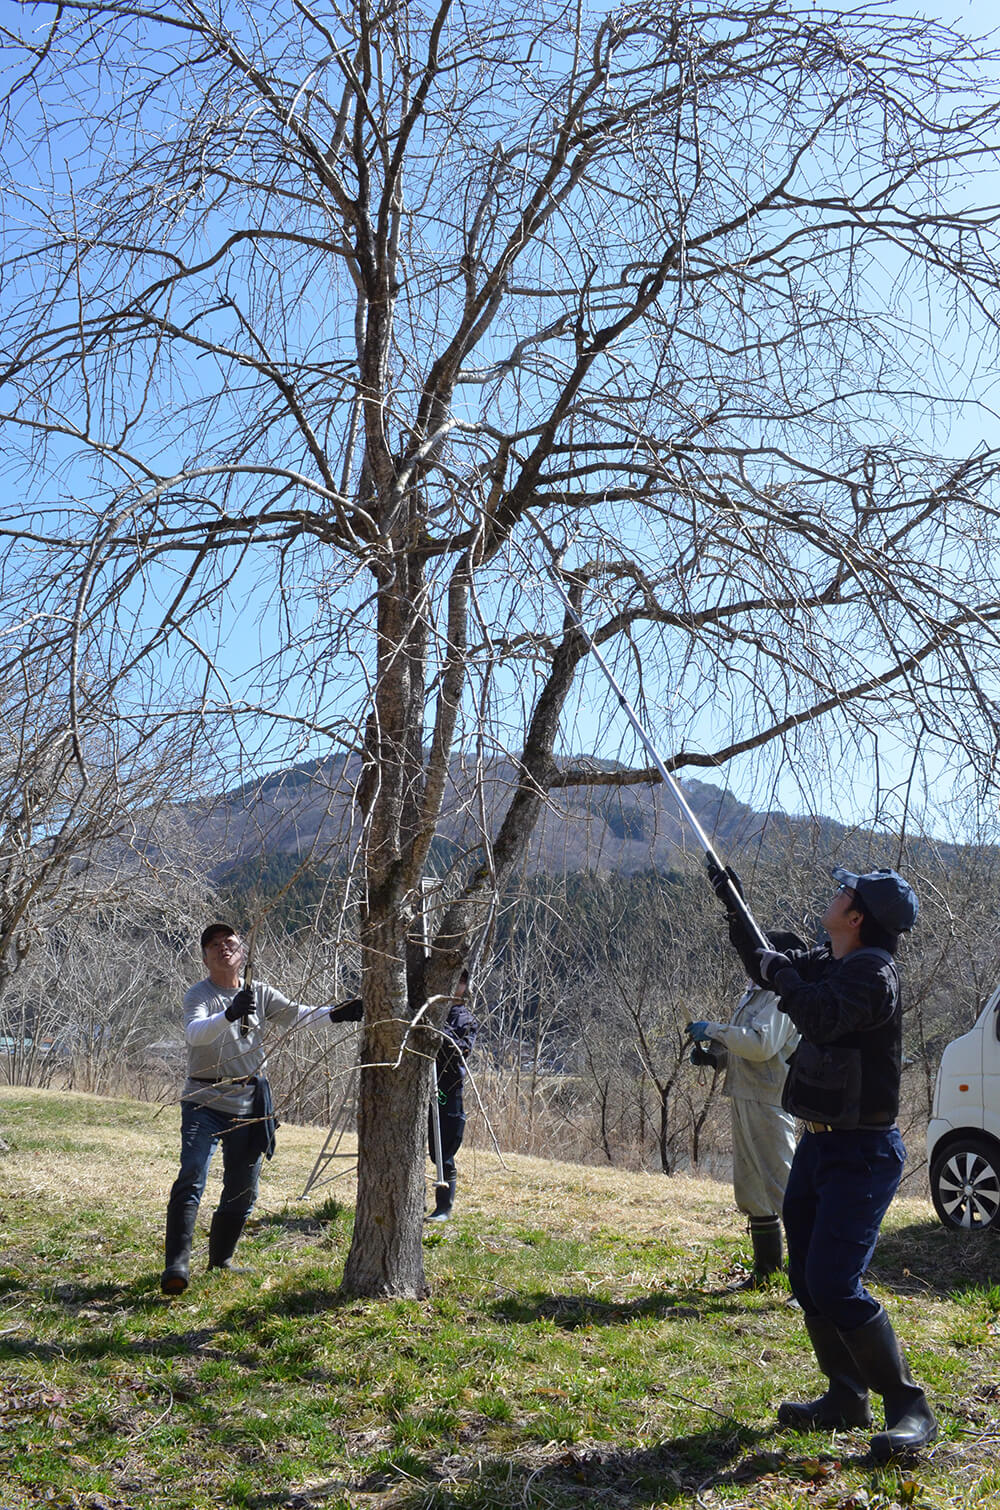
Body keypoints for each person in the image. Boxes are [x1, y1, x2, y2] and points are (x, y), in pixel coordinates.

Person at [711, 861, 937, 1462]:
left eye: (845, 892)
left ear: (857, 917)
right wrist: (732, 899)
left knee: (837, 1282)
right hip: (819, 1143)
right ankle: (845, 1396)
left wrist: (784, 974)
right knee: (808, 1276)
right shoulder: (835, 962)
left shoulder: (873, 975)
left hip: (862, 1153)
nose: (834, 894)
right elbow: (763, 961)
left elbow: (815, 1013)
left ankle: (908, 1406)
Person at [161, 922, 363, 1295]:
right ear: (204, 957)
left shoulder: (261, 993)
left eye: (230, 942)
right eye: (214, 944)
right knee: (192, 1173)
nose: (223, 948)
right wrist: (228, 1015)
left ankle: (221, 1260)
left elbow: (298, 1014)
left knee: (243, 1187)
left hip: (250, 1103)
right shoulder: (199, 995)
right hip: (203, 1101)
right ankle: (177, 1265)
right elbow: (194, 1032)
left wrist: (338, 1013)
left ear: (243, 953)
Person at [686, 929, 804, 1285]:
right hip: (744, 1095)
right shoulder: (756, 993)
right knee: (751, 1188)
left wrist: (716, 1030)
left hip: (770, 1099)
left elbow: (761, 1046)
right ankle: (766, 1272)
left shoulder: (783, 997)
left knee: (784, 1188)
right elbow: (742, 1045)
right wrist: (714, 1058)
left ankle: (806, 1282)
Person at [426, 969, 477, 1221]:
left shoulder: (465, 1019)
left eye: (459, 981)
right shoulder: (432, 1010)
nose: (454, 984)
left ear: (464, 986)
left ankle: (444, 1207)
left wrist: (439, 1032)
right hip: (424, 1086)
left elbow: (461, 1049)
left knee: (443, 1151)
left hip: (449, 1089)